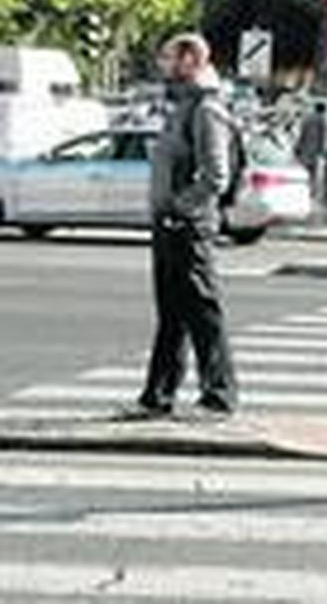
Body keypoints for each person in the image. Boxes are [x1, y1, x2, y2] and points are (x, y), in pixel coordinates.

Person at [123, 32, 239, 420]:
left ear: (190, 59)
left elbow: (216, 174)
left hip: (188, 225)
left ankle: (220, 395)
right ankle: (157, 395)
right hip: (171, 224)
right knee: (172, 314)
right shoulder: (184, 104)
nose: (162, 64)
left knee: (203, 311)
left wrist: (179, 208)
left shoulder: (206, 109)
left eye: (168, 57)